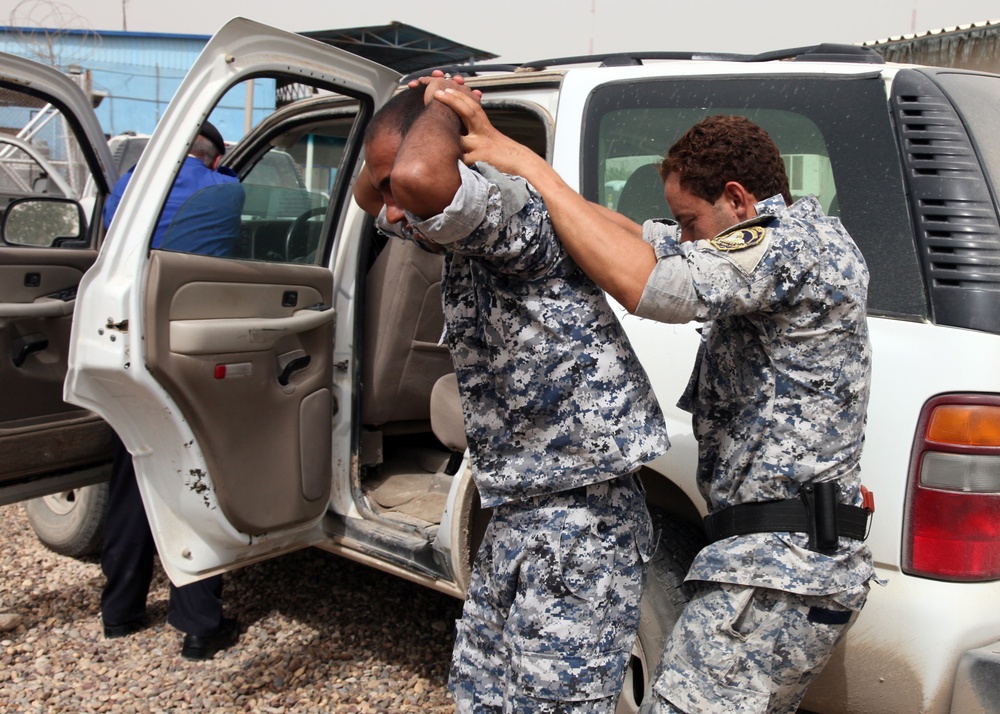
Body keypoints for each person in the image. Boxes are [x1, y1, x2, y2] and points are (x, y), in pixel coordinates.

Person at [434, 89, 878, 714]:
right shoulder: (777, 238)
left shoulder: (790, 245)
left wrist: (530, 168)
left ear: (738, 198)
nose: (683, 234)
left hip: (778, 569)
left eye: (692, 220)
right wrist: (534, 178)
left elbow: (658, 288)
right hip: (776, 562)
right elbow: (642, 238)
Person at [354, 79, 669, 712]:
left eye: (398, 189)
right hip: (521, 511)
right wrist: (400, 133)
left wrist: (443, 103)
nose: (392, 211)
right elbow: (377, 194)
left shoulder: (509, 214)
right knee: (480, 694)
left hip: (582, 521)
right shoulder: (447, 224)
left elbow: (414, 178)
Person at [100, 120, 242, 661]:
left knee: (131, 475)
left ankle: (120, 611)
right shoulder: (224, 190)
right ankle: (199, 623)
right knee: (193, 478)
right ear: (209, 157)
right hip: (186, 351)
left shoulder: (127, 187)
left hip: (125, 347)